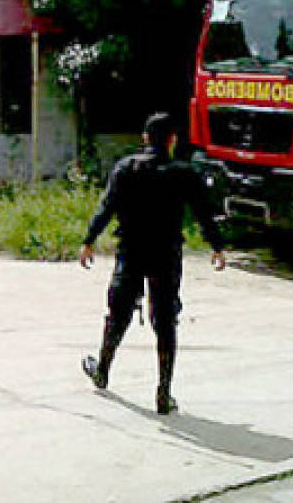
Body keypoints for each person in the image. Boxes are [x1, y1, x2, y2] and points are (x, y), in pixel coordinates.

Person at [79, 112, 227, 415]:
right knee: (165, 321)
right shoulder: (184, 173)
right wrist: (217, 247)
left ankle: (103, 370)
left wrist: (89, 240)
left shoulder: (126, 169)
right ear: (173, 140)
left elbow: (106, 207)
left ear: (145, 138)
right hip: (166, 254)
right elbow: (203, 214)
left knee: (118, 314)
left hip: (132, 252)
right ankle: (163, 393)